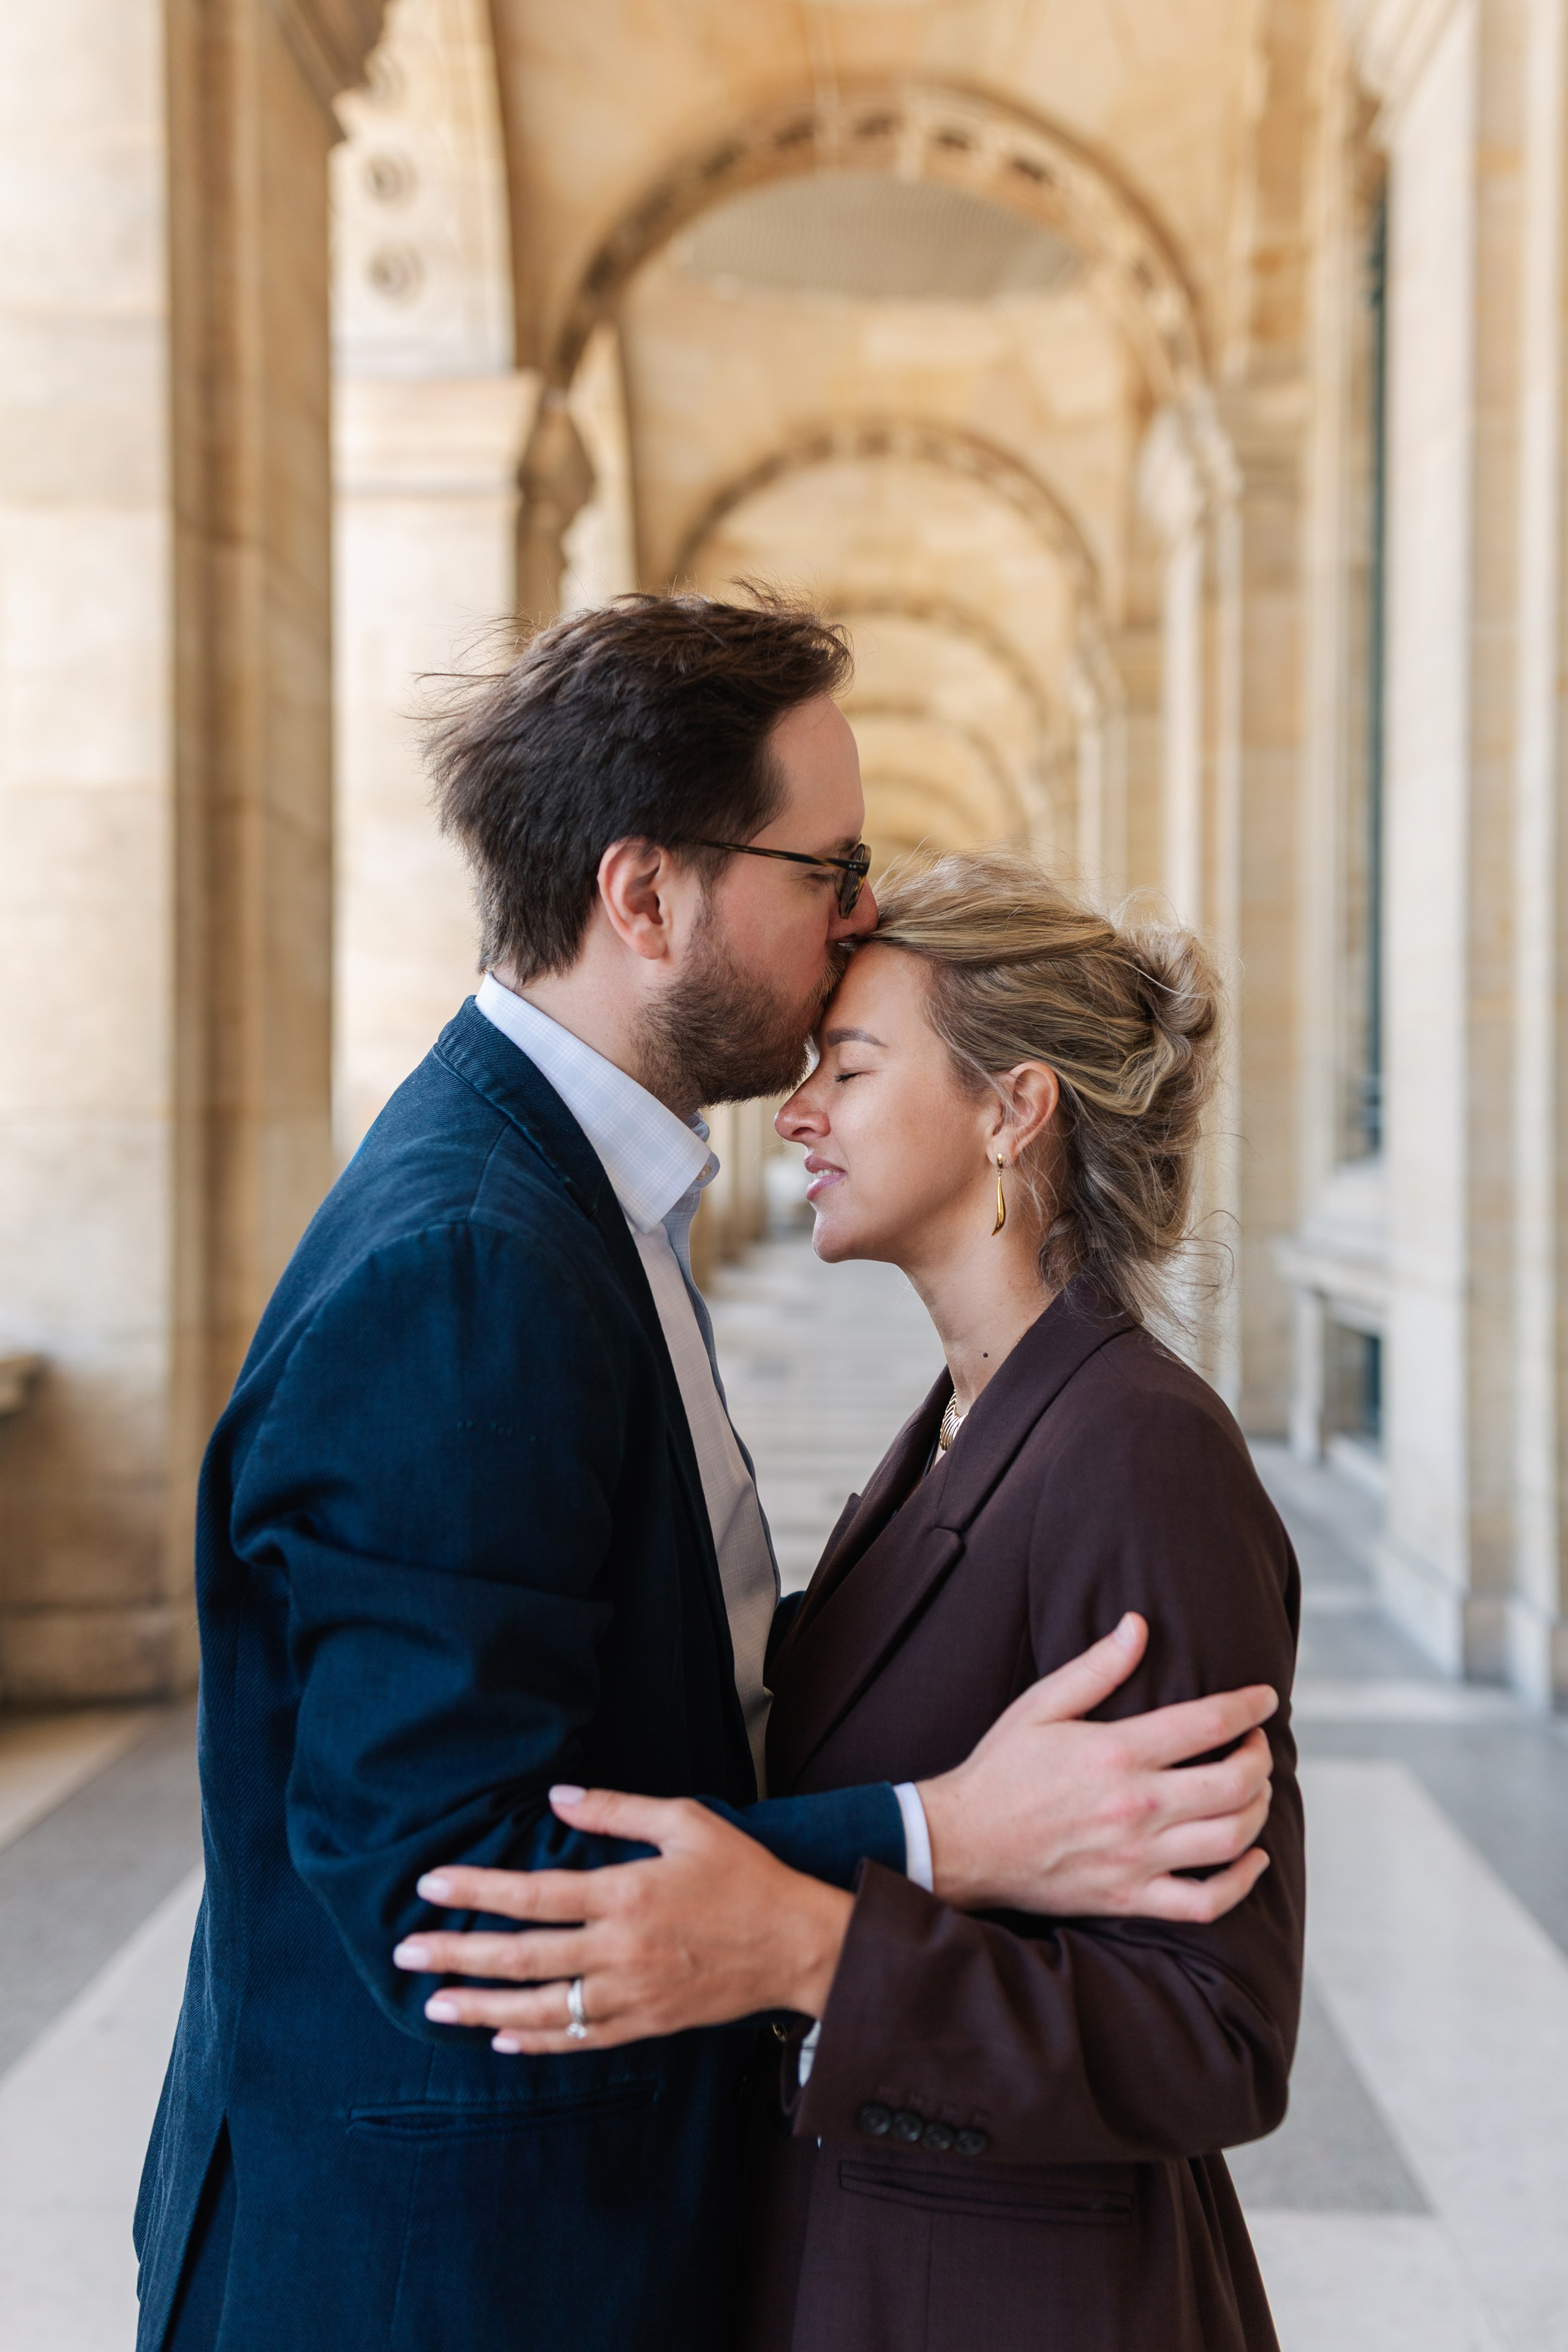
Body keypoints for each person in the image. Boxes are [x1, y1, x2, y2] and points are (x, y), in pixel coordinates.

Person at [135, 598, 1280, 2352]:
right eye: (829, 865)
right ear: (645, 896)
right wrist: (940, 1838)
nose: (861, 910)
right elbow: (452, 1894)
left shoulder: (582, 1203)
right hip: (439, 2278)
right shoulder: (477, 1259)